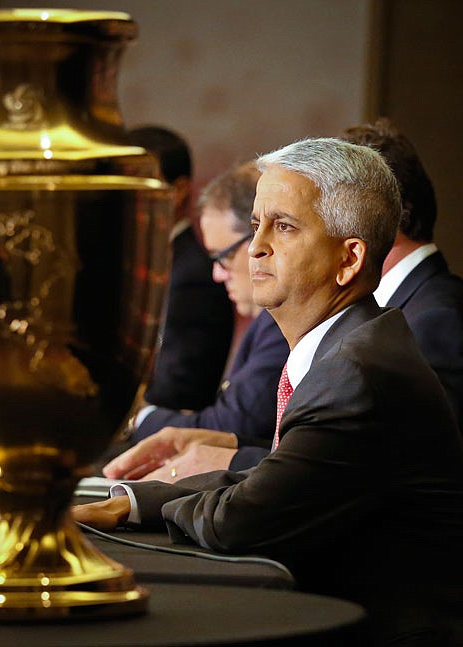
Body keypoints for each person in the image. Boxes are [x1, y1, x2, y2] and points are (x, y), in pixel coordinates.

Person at [75, 137, 463, 647]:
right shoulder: (350, 346)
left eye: (283, 226)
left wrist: (141, 505)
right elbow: (273, 474)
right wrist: (131, 501)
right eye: (256, 224)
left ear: (349, 260)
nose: (256, 246)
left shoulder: (358, 372)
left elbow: (240, 518)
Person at [105, 161, 289, 479]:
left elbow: (233, 423)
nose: (217, 273)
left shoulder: (286, 321)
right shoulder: (269, 321)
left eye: (223, 256)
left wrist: (139, 419)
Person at [342, 118, 463, 431]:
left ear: (384, 219)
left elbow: (427, 456)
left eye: (337, 211)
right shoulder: (411, 307)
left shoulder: (436, 318)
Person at [128, 126, 235, 411]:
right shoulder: (151, 261)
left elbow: (174, 390)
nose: (126, 196)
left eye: (139, 183)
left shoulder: (194, 275)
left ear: (178, 190)